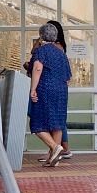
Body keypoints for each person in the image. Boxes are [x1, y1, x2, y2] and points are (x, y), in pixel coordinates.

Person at [28, 22, 71, 166]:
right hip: (62, 91)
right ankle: (54, 158)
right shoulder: (61, 53)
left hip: (45, 89)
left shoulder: (42, 50)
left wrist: (33, 88)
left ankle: (55, 147)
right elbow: (68, 78)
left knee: (37, 123)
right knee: (57, 124)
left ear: (41, 36)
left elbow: (37, 68)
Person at [44, 19, 73, 159]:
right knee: (58, 120)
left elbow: (38, 66)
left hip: (51, 88)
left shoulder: (55, 48)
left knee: (54, 121)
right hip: (59, 88)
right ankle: (56, 150)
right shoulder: (59, 49)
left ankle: (58, 148)